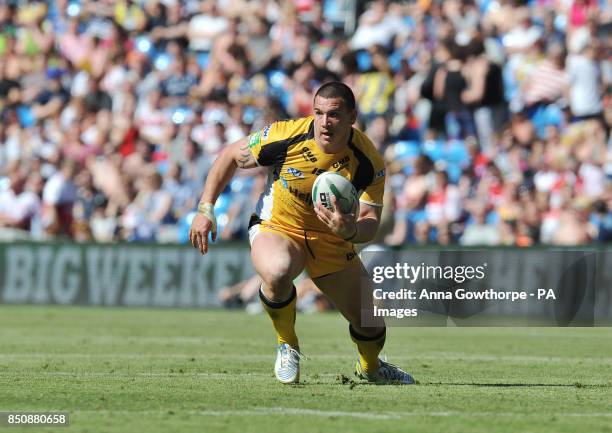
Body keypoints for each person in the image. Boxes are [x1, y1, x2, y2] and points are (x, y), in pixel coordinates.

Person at [189, 82, 414, 385]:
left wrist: (352, 229)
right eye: (318, 113)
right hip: (279, 226)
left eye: (334, 115)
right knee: (278, 271)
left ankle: (371, 367)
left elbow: (371, 219)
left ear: (352, 118)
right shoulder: (286, 135)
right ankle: (287, 344)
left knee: (370, 323)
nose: (324, 122)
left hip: (333, 239)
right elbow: (230, 155)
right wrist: (206, 209)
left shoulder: (368, 161)